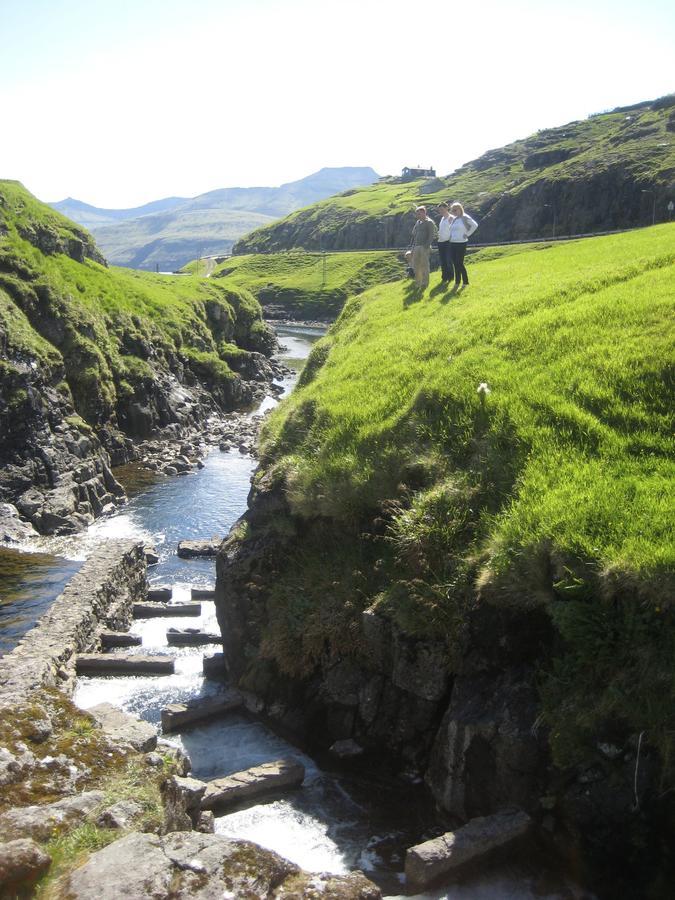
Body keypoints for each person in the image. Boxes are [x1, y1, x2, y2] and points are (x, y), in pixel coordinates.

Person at [448, 202, 478, 286]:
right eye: (452, 211)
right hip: (453, 243)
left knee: (459, 262)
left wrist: (467, 234)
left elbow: (475, 225)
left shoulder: (465, 217)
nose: (454, 212)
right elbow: (451, 230)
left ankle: (465, 281)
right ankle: (457, 282)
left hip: (461, 243)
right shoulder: (454, 219)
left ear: (460, 209)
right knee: (455, 263)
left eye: (455, 210)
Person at [409, 206, 437, 290]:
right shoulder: (418, 222)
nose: (418, 215)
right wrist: (413, 247)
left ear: (424, 213)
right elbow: (414, 234)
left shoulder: (429, 222)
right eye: (417, 214)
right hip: (416, 246)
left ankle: (425, 283)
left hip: (424, 247)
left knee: (424, 265)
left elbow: (431, 235)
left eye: (419, 213)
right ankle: (418, 282)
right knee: (416, 265)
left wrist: (426, 246)